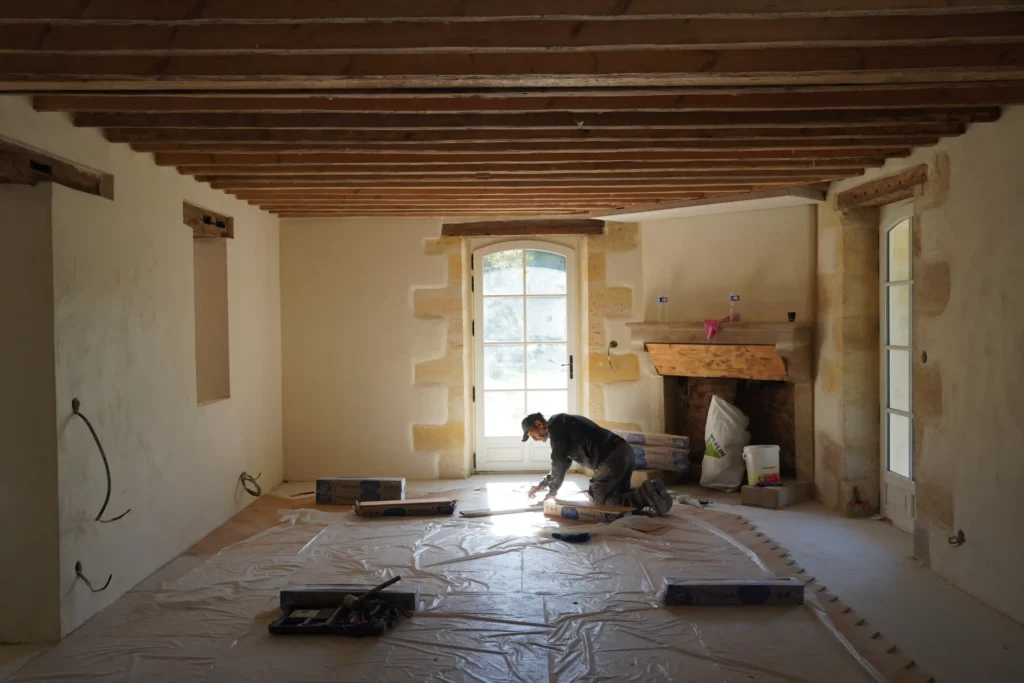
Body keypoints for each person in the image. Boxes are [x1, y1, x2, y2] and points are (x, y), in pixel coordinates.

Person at [522, 412, 674, 517]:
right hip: (624, 452)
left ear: (538, 424)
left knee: (601, 501)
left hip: (611, 459)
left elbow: (559, 462)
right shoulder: (561, 424)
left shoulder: (556, 428)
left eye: (532, 435)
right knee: (615, 495)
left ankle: (645, 494)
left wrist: (552, 493)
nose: (534, 439)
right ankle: (653, 492)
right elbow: (562, 463)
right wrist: (544, 484)